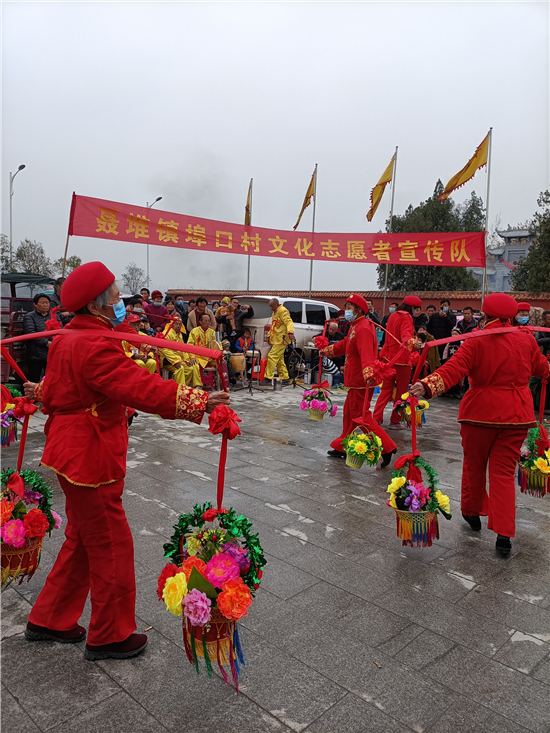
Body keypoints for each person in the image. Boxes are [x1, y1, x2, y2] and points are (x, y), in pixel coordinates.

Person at [23, 261, 229, 660]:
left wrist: (40, 391)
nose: (121, 304)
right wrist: (197, 400)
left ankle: (50, 618)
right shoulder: (94, 344)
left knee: (82, 541)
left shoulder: (68, 337)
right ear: (95, 305)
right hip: (89, 457)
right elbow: (137, 386)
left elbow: (60, 390)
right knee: (111, 546)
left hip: (70, 452)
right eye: (116, 298)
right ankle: (109, 635)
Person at [410, 293, 550, 556]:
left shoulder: (477, 339)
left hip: (480, 414)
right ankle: (504, 535)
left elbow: (455, 368)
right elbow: (543, 370)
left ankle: (472, 512)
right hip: (517, 416)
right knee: (503, 474)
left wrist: (427, 385)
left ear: (485, 315)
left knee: (474, 465)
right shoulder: (527, 340)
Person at [321, 294, 396, 466]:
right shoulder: (356, 326)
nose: (346, 311)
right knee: (349, 415)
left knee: (361, 417)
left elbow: (366, 353)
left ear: (358, 310)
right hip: (355, 381)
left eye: (348, 308)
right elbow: (344, 345)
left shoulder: (362, 328)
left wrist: (368, 374)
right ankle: (343, 446)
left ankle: (387, 447)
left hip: (362, 382)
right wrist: (327, 351)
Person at [373, 296, 419, 429]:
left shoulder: (393, 315)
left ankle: (376, 418)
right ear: (412, 308)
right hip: (402, 360)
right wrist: (413, 342)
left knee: (385, 390)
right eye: (416, 309)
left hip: (388, 358)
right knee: (401, 392)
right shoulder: (407, 317)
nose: (416, 312)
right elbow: (406, 336)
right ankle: (395, 421)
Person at [159, 318, 201, 387]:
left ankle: (184, 387)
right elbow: (165, 350)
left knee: (190, 369)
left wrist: (187, 360)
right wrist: (175, 361)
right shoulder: (167, 333)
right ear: (172, 324)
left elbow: (182, 349)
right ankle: (178, 389)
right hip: (166, 359)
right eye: (176, 324)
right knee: (180, 368)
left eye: (180, 324)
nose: (178, 326)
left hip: (178, 359)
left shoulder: (179, 334)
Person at [263, 298, 295, 384]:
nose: (271, 308)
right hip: (276, 339)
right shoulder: (275, 312)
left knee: (272, 356)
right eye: (270, 306)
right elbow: (273, 325)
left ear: (276, 304)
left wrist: (290, 332)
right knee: (279, 359)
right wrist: (269, 336)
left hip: (281, 339)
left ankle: (268, 376)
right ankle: (284, 377)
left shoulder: (283, 311)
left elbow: (289, 322)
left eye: (272, 306)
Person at [22, 294, 52, 382]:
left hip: (51, 354)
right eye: (42, 303)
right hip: (36, 355)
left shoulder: (54, 316)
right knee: (33, 380)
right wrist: (47, 343)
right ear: (35, 304)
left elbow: (60, 329)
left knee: (50, 379)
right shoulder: (29, 317)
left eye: (47, 302)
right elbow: (30, 333)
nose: (45, 305)